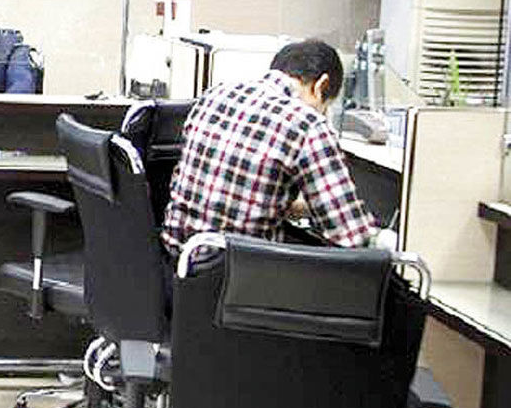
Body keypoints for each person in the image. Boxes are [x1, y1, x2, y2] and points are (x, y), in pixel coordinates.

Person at [161, 39, 378, 256]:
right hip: (239, 271)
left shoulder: (214, 95)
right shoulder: (308, 124)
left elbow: (226, 192)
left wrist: (300, 207)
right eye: (325, 107)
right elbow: (352, 237)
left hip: (177, 258)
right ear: (321, 85)